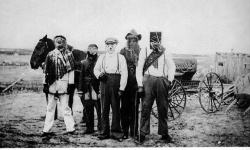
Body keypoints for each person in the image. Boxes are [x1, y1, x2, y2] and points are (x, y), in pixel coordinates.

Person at [136, 32, 176, 143]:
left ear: (160, 41)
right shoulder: (144, 51)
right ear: (150, 41)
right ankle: (143, 133)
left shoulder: (165, 52)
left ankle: (164, 133)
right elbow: (139, 68)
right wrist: (140, 85)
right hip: (148, 80)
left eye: (157, 41)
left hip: (161, 81)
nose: (155, 44)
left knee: (163, 108)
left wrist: (170, 79)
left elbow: (171, 66)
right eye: (153, 41)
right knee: (145, 107)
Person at [94, 38, 128, 140]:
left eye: (112, 45)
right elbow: (95, 69)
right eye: (108, 45)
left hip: (116, 82)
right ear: (105, 46)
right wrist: (99, 75)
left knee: (115, 108)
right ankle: (104, 132)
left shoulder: (120, 57)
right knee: (104, 108)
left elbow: (124, 73)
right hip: (104, 82)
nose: (110, 47)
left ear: (115, 45)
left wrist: (122, 88)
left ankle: (116, 132)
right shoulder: (102, 57)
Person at [42, 35, 75, 136]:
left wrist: (71, 84)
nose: (59, 43)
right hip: (52, 84)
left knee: (66, 108)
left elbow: (71, 71)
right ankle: (46, 130)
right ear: (54, 43)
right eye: (57, 41)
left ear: (65, 43)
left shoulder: (69, 55)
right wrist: (45, 84)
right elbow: (46, 70)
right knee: (50, 108)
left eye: (62, 41)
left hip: (64, 85)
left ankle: (70, 129)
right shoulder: (50, 54)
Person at [120, 29, 141, 139]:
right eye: (130, 40)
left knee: (134, 109)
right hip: (125, 84)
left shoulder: (141, 52)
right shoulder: (123, 51)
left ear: (137, 41)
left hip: (136, 85)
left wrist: (141, 84)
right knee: (124, 108)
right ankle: (124, 131)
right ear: (127, 41)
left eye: (134, 40)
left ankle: (134, 132)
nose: (132, 42)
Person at [78, 44, 101, 134]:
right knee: (88, 108)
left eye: (94, 48)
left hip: (96, 87)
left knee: (99, 108)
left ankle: (101, 127)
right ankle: (89, 128)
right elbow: (81, 77)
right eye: (90, 48)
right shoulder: (84, 62)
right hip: (86, 89)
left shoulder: (100, 61)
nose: (92, 50)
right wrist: (80, 90)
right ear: (87, 50)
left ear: (97, 50)